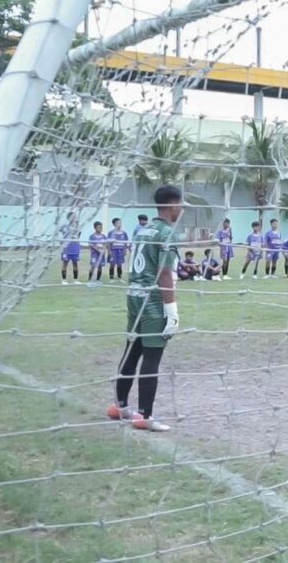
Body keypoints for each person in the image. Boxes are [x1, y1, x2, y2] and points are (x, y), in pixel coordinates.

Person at [108, 185, 184, 432]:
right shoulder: (166, 233)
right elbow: (164, 273)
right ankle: (144, 415)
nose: (181, 209)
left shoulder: (142, 231)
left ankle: (119, 406)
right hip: (152, 301)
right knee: (152, 356)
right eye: (180, 204)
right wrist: (171, 310)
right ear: (172, 205)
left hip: (134, 297)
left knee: (132, 350)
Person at [60, 212, 81, 284]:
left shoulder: (77, 227)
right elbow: (62, 233)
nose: (74, 218)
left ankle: (75, 280)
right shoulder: (65, 227)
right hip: (66, 248)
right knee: (65, 263)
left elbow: (78, 236)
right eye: (72, 217)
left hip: (75, 248)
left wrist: (77, 226)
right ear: (68, 218)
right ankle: (64, 280)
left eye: (75, 217)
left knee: (75, 264)